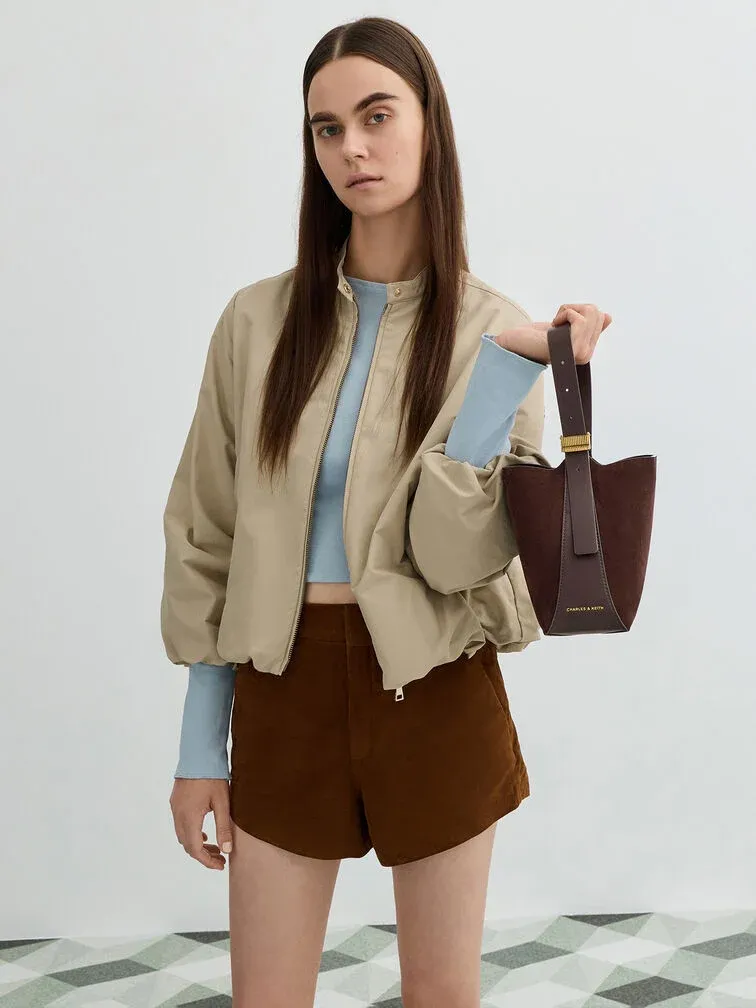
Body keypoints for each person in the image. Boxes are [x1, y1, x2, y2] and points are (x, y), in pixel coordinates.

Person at [163, 15, 612, 1007]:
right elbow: (206, 535)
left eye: (376, 116)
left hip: (436, 688)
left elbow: (453, 557)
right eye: (327, 128)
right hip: (283, 687)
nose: (352, 149)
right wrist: (201, 749)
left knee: (441, 995)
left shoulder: (498, 330)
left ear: (428, 123)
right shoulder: (256, 322)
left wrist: (504, 377)